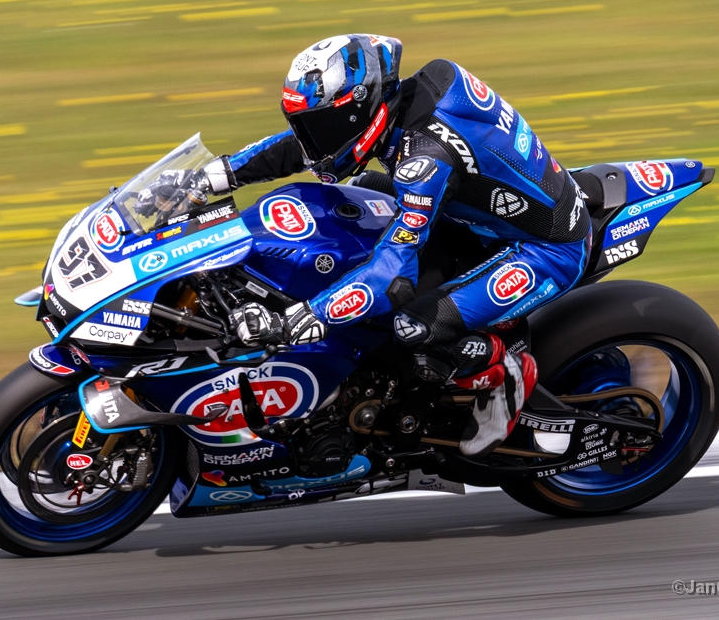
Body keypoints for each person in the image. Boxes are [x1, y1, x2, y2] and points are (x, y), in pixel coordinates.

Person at [153, 34, 591, 458]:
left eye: (323, 125)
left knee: (411, 325)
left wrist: (303, 319)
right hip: (470, 217)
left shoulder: (424, 161)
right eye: (308, 124)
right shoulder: (401, 104)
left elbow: (390, 274)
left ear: (360, 110)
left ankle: (502, 372)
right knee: (354, 198)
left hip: (542, 250)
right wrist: (208, 178)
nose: (313, 139)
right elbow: (306, 149)